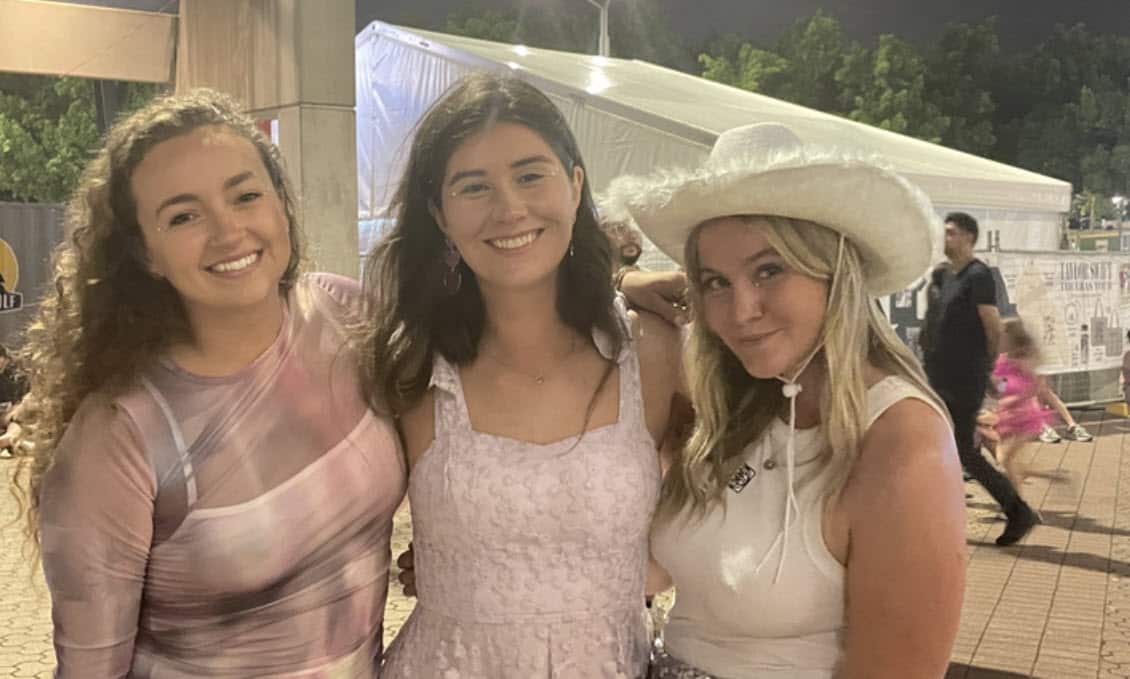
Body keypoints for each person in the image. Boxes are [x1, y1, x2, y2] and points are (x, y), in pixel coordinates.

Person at [12, 89, 408, 677]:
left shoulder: (347, 315)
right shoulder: (119, 437)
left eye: (246, 196)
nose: (228, 232)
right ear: (145, 254)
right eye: (183, 216)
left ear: (281, 204)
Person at [604, 122, 965, 677]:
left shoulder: (900, 440)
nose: (739, 309)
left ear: (833, 271)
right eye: (715, 281)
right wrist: (624, 280)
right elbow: (655, 572)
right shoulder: (737, 405)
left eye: (769, 270)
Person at [360, 73, 684, 678]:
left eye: (531, 175)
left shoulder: (653, 348)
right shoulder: (407, 363)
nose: (509, 209)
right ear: (439, 212)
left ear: (576, 185)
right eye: (473, 186)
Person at [922, 211, 1038, 546]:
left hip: (964, 375)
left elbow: (992, 325)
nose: (945, 238)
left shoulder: (979, 275)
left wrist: (987, 370)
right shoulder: (943, 276)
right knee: (941, 444)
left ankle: (1017, 510)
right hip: (937, 372)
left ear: (970, 237)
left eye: (951, 232)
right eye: (943, 232)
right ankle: (941, 513)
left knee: (961, 448)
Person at [993, 317, 1053, 494]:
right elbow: (1001, 384)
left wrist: (1016, 398)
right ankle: (1048, 476)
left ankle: (1018, 503)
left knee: (1007, 459)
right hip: (1008, 414)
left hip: (1025, 415)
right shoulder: (1002, 359)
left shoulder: (1024, 359)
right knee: (1005, 459)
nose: (1000, 339)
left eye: (1003, 335)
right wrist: (1000, 392)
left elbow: (1037, 386)